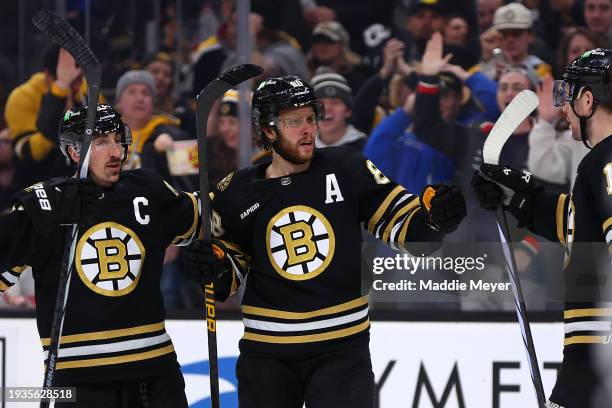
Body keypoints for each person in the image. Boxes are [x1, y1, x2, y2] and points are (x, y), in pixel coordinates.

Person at [184, 75, 467, 407]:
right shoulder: (236, 191)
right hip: (267, 356)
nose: (308, 129)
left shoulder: (347, 168)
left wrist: (435, 218)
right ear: (269, 130)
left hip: (342, 350)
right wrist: (212, 266)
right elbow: (227, 275)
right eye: (294, 121)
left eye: (310, 117)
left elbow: (405, 226)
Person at [0, 104, 200, 407]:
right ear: (74, 152)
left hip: (154, 370)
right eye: (102, 142)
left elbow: (211, 223)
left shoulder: (146, 189)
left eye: (118, 139)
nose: (116, 151)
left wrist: (219, 260)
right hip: (80, 379)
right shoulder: (44, 204)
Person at [471, 48, 612, 407]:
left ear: (588, 99)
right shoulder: (598, 163)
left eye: (568, 95)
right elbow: (582, 228)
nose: (563, 107)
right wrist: (522, 197)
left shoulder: (606, 160)